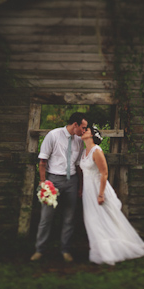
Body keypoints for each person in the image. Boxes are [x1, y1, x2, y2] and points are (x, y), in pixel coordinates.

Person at [80, 125, 144, 265]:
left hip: (98, 189)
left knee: (104, 219)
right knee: (92, 220)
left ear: (92, 134)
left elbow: (104, 173)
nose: (83, 131)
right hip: (87, 191)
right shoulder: (85, 151)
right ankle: (100, 251)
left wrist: (101, 194)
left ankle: (110, 251)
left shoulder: (97, 151)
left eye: (86, 130)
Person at [30, 112, 88, 263]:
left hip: (72, 182)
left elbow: (79, 166)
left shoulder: (79, 141)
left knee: (69, 218)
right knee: (46, 217)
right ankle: (40, 250)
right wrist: (44, 183)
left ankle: (65, 250)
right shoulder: (53, 135)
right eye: (82, 127)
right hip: (53, 180)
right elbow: (43, 161)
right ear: (75, 124)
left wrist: (80, 187)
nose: (84, 131)